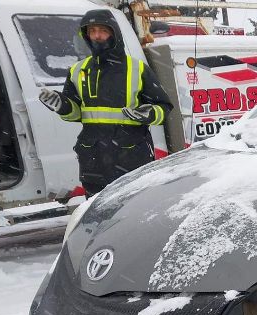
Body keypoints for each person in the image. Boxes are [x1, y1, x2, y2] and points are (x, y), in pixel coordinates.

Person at [38, 10, 173, 195]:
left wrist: (149, 113)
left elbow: (165, 107)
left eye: (102, 30)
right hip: (93, 163)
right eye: (92, 31)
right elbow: (78, 114)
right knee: (96, 219)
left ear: (114, 33)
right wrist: (63, 106)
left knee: (134, 216)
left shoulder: (138, 68)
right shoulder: (78, 71)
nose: (97, 36)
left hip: (131, 161)